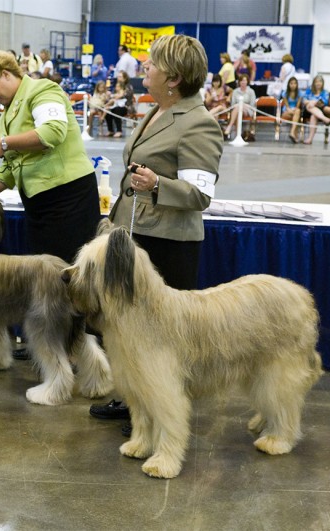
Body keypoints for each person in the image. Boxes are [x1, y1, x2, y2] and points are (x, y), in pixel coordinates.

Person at [98, 34, 223, 430]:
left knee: (158, 338)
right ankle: (133, 399)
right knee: (133, 329)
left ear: (173, 77)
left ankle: (157, 412)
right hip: (137, 233)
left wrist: (156, 185)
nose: (144, 69)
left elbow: (200, 195)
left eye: (151, 64)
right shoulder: (156, 111)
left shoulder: (199, 123)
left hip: (167, 243)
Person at [0, 50, 101, 265]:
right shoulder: (5, 117)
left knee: (72, 275)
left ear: (5, 74)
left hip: (68, 199)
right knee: (46, 278)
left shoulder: (42, 90)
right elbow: (9, 169)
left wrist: (5, 143)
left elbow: (52, 131)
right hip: (37, 205)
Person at [223, 73, 257, 141]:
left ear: (247, 82)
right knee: (238, 110)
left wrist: (243, 105)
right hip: (236, 109)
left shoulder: (251, 92)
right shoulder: (235, 91)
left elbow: (252, 104)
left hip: (248, 110)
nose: (243, 82)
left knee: (238, 108)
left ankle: (229, 127)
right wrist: (239, 105)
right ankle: (238, 135)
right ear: (239, 82)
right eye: (242, 80)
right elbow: (233, 104)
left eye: (245, 80)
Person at [301, 74, 330, 145]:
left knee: (313, 116)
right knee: (309, 106)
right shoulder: (309, 90)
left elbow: (323, 103)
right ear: (314, 83)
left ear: (322, 83)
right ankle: (325, 119)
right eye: (316, 82)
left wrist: (313, 103)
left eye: (320, 82)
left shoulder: (325, 92)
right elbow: (304, 100)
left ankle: (310, 138)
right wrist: (311, 102)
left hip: (319, 111)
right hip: (307, 111)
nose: (318, 83)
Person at [104, 70, 134, 138]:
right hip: (115, 105)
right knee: (107, 111)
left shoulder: (128, 86)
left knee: (117, 110)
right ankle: (110, 130)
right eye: (118, 76)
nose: (118, 78)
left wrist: (113, 96)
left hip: (126, 106)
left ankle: (119, 131)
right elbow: (112, 97)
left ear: (125, 78)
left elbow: (125, 96)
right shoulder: (117, 86)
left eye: (120, 77)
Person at [280, 76, 302, 143]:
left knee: (297, 112)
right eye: (291, 83)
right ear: (289, 84)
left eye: (295, 83)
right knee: (296, 116)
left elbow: (297, 106)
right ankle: (294, 134)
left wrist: (294, 111)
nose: (293, 85)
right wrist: (291, 110)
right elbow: (287, 106)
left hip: (295, 110)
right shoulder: (285, 93)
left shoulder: (300, 93)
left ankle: (292, 133)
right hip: (287, 111)